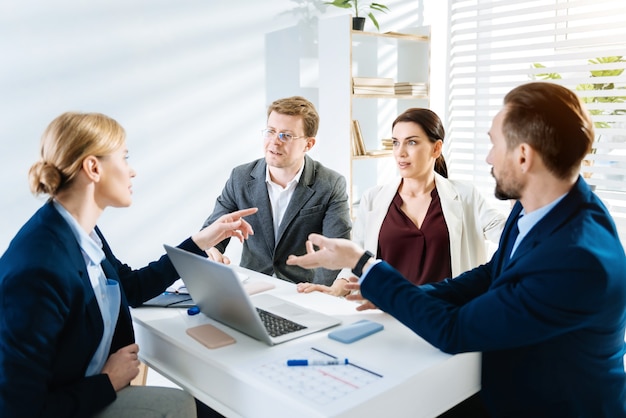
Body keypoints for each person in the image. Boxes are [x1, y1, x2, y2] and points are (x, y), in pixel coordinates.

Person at [287, 82, 626, 417]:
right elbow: (493, 273)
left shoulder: (576, 258)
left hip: (552, 405)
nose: (488, 157)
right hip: (504, 379)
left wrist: (362, 262)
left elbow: (455, 331)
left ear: (523, 156)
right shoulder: (539, 207)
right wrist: (392, 295)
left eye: (494, 144)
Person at [0, 111, 257, 418]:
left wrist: (201, 241)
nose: (132, 171)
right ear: (93, 168)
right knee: (186, 406)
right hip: (73, 401)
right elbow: (18, 410)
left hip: (82, 387)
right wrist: (106, 382)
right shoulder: (40, 270)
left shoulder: (80, 232)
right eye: (124, 158)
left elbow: (130, 287)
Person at [297, 108, 506, 304]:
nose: (400, 152)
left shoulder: (465, 195)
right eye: (396, 143)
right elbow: (358, 257)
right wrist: (336, 288)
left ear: (436, 148)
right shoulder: (373, 198)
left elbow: (512, 235)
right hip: (386, 310)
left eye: (412, 142)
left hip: (444, 314)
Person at [201, 96, 351, 285]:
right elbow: (213, 228)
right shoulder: (240, 177)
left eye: (286, 135)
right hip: (252, 286)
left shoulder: (330, 184)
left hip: (301, 290)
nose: (274, 142)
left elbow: (337, 251)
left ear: (308, 144)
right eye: (271, 131)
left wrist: (318, 297)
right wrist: (212, 248)